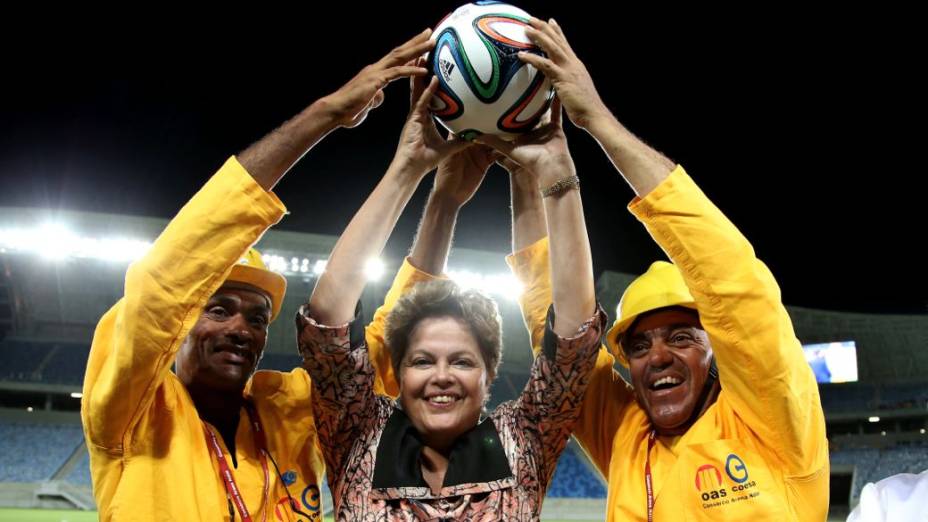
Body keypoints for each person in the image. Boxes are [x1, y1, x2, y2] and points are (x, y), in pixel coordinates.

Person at [80, 30, 437, 521]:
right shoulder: (133, 412)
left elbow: (384, 351)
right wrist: (326, 114)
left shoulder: (284, 413)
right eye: (219, 308)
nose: (241, 329)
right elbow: (160, 284)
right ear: (180, 322)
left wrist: (432, 186)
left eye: (258, 317)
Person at [500, 17, 830, 520]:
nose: (656, 356)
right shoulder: (625, 434)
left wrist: (598, 124)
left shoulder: (771, 421)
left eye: (680, 337)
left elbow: (734, 282)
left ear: (714, 346)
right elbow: (554, 327)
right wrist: (528, 176)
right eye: (638, 344)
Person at [297, 63, 605, 518]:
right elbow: (328, 324)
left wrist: (554, 177)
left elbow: (575, 343)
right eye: (422, 360)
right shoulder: (360, 434)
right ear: (397, 372)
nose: (442, 376)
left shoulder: (521, 440)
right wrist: (406, 171)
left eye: (462, 360)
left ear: (489, 376)